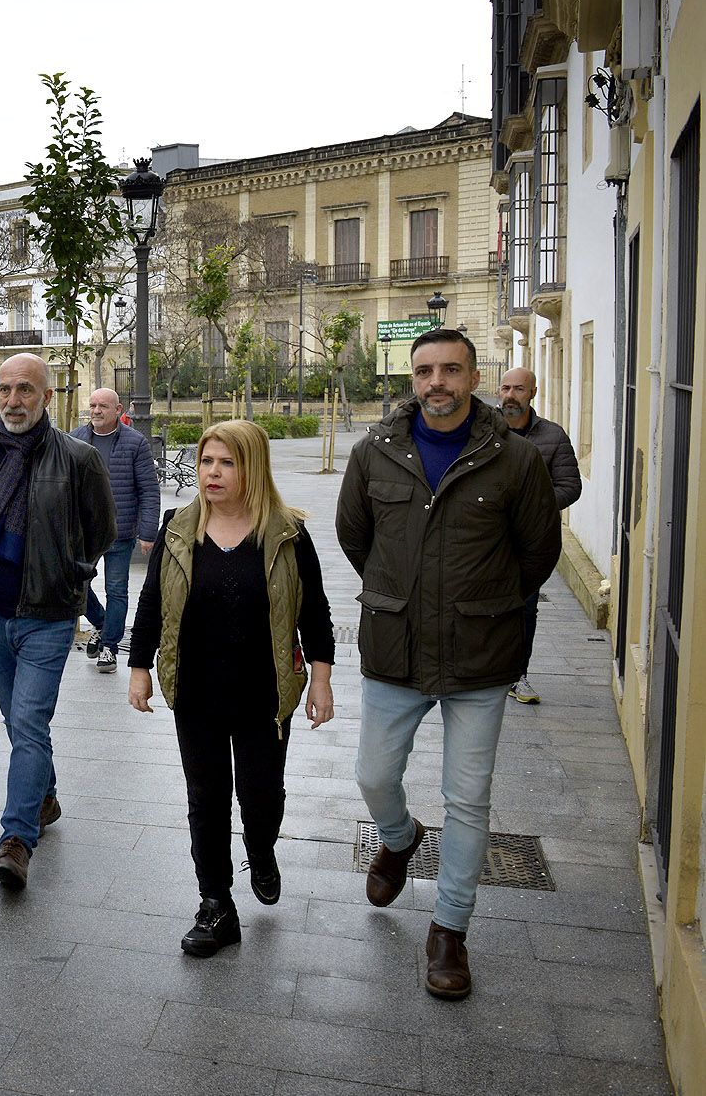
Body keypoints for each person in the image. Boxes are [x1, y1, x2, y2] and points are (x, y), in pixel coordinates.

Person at [338, 328, 560, 1000]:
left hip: (478, 656)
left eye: (451, 370)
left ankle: (450, 931)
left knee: (468, 797)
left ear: (473, 376)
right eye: (425, 371)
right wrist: (396, 594)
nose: (437, 381)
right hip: (395, 648)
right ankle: (400, 838)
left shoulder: (515, 460)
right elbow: (356, 537)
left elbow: (537, 553)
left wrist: (484, 603)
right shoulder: (374, 453)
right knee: (374, 774)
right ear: (412, 378)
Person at [127, 420, 335, 957]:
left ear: (253, 469)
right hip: (196, 690)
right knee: (207, 801)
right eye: (205, 462)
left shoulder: (287, 531)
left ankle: (261, 848)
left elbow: (315, 611)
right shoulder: (178, 527)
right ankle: (216, 905)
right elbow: (153, 602)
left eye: (226, 463)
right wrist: (139, 667)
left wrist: (322, 681)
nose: (212, 473)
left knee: (261, 799)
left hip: (264, 694)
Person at [0, 353, 115, 890]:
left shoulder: (78, 459)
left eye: (26, 390)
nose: (13, 401)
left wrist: (69, 575)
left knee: (27, 724)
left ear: (48, 397)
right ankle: (43, 797)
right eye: (5, 390)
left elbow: (100, 532)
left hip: (46, 616)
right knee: (20, 725)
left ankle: (16, 840)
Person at [496, 367, 582, 705]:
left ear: (533, 392)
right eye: (505, 388)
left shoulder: (553, 436)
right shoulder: (480, 430)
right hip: (484, 539)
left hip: (528, 544)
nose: (510, 395)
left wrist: (531, 506)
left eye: (518, 388)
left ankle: (518, 675)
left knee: (525, 608)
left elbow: (570, 487)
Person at [71, 387, 161, 673]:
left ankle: (109, 646)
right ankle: (102, 624)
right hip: (85, 534)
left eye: (103, 406)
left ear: (118, 410)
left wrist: (148, 533)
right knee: (76, 586)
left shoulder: (136, 443)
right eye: (93, 405)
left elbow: (148, 489)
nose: (96, 411)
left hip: (121, 533)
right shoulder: (75, 438)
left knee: (116, 590)